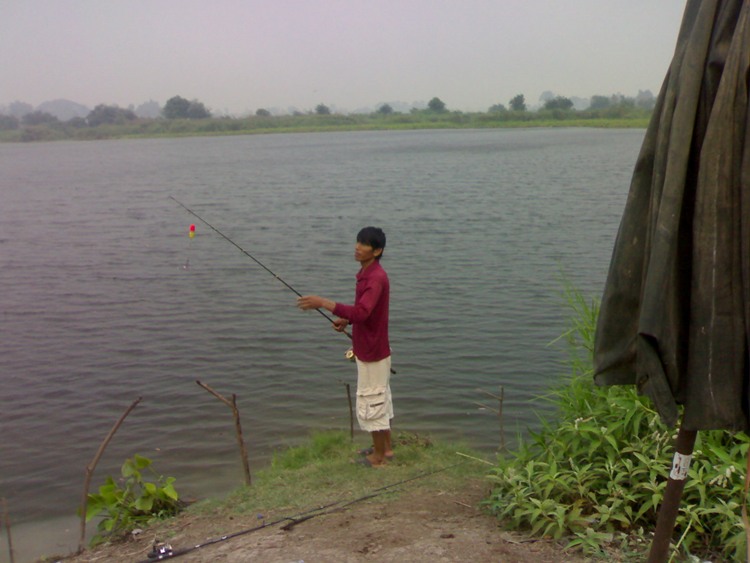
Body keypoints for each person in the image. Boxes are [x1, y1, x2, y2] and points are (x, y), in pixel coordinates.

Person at [297, 226, 393, 467]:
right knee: (380, 397)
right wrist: (347, 320)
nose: (357, 247)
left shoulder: (375, 278)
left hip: (372, 352)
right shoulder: (367, 274)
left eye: (364, 244)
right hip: (370, 347)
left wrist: (323, 303)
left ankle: (379, 458)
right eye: (357, 242)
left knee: (373, 402)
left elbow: (362, 311)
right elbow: (363, 313)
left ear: (377, 250)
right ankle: (386, 449)